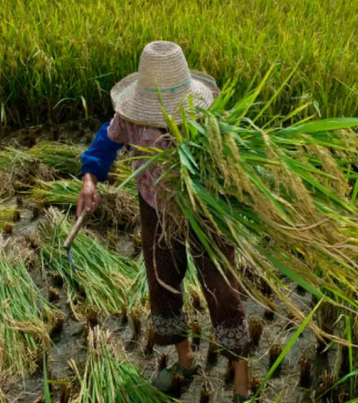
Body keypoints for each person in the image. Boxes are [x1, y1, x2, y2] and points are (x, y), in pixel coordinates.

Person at [77, 41, 251, 402]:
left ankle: (241, 375)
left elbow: (234, 163)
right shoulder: (130, 119)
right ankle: (184, 358)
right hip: (155, 207)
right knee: (162, 278)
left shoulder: (205, 119)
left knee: (221, 285)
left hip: (204, 208)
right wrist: (90, 180)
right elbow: (104, 143)